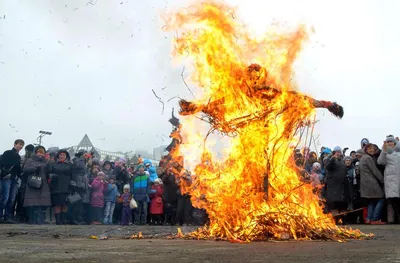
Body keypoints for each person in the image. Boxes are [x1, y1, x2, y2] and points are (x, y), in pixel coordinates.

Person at [23, 146, 51, 224]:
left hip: (43, 183)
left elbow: (49, 170)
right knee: (32, 202)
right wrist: (35, 168)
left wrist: (49, 162)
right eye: (39, 152)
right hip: (33, 183)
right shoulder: (30, 160)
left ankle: (40, 219)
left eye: (42, 153)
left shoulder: (45, 161)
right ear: (36, 152)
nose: (40, 154)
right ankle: (32, 219)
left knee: (41, 202)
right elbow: (25, 169)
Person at [0, 139, 25, 223]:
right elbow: (1, 163)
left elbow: (18, 169)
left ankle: (7, 216)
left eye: (22, 145)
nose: (21, 146)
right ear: (15, 144)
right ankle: (1, 216)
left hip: (14, 179)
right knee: (5, 197)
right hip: (6, 178)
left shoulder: (18, 156)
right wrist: (4, 173)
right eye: (19, 144)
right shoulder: (8, 153)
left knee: (12, 198)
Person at [360, 143, 385, 224]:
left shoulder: (363, 157)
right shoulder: (368, 158)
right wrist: (382, 180)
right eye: (370, 148)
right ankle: (374, 219)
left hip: (365, 183)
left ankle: (368, 219)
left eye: (373, 148)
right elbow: (375, 171)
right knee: (381, 199)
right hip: (371, 182)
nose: (372, 150)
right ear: (366, 150)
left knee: (372, 201)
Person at [377, 137, 400, 223]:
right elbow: (380, 162)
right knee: (393, 200)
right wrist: (384, 151)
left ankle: (396, 219)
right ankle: (394, 220)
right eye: (388, 142)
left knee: (397, 201)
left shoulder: (398, 152)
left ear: (395, 143)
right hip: (391, 180)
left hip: (398, 179)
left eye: (391, 142)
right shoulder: (385, 152)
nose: (390, 143)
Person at [325, 146, 350, 224]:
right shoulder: (330, 160)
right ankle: (335, 220)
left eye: (339, 152)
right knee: (334, 204)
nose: (338, 153)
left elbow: (345, 171)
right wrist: (333, 158)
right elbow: (328, 167)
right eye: (336, 152)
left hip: (342, 186)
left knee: (342, 204)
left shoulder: (342, 162)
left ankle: (343, 220)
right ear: (333, 153)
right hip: (333, 186)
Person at [48, 149, 72, 225]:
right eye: (61, 155)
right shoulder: (53, 164)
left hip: (66, 185)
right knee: (57, 203)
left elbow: (72, 175)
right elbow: (49, 172)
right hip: (56, 186)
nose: (62, 156)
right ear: (58, 156)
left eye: (64, 155)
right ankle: (58, 219)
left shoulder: (70, 165)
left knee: (65, 203)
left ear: (66, 157)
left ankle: (63, 218)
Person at [71, 149, 89, 225]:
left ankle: (78, 218)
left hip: (82, 184)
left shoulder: (82, 162)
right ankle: (74, 219)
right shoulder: (78, 161)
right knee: (76, 202)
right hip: (78, 184)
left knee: (80, 202)